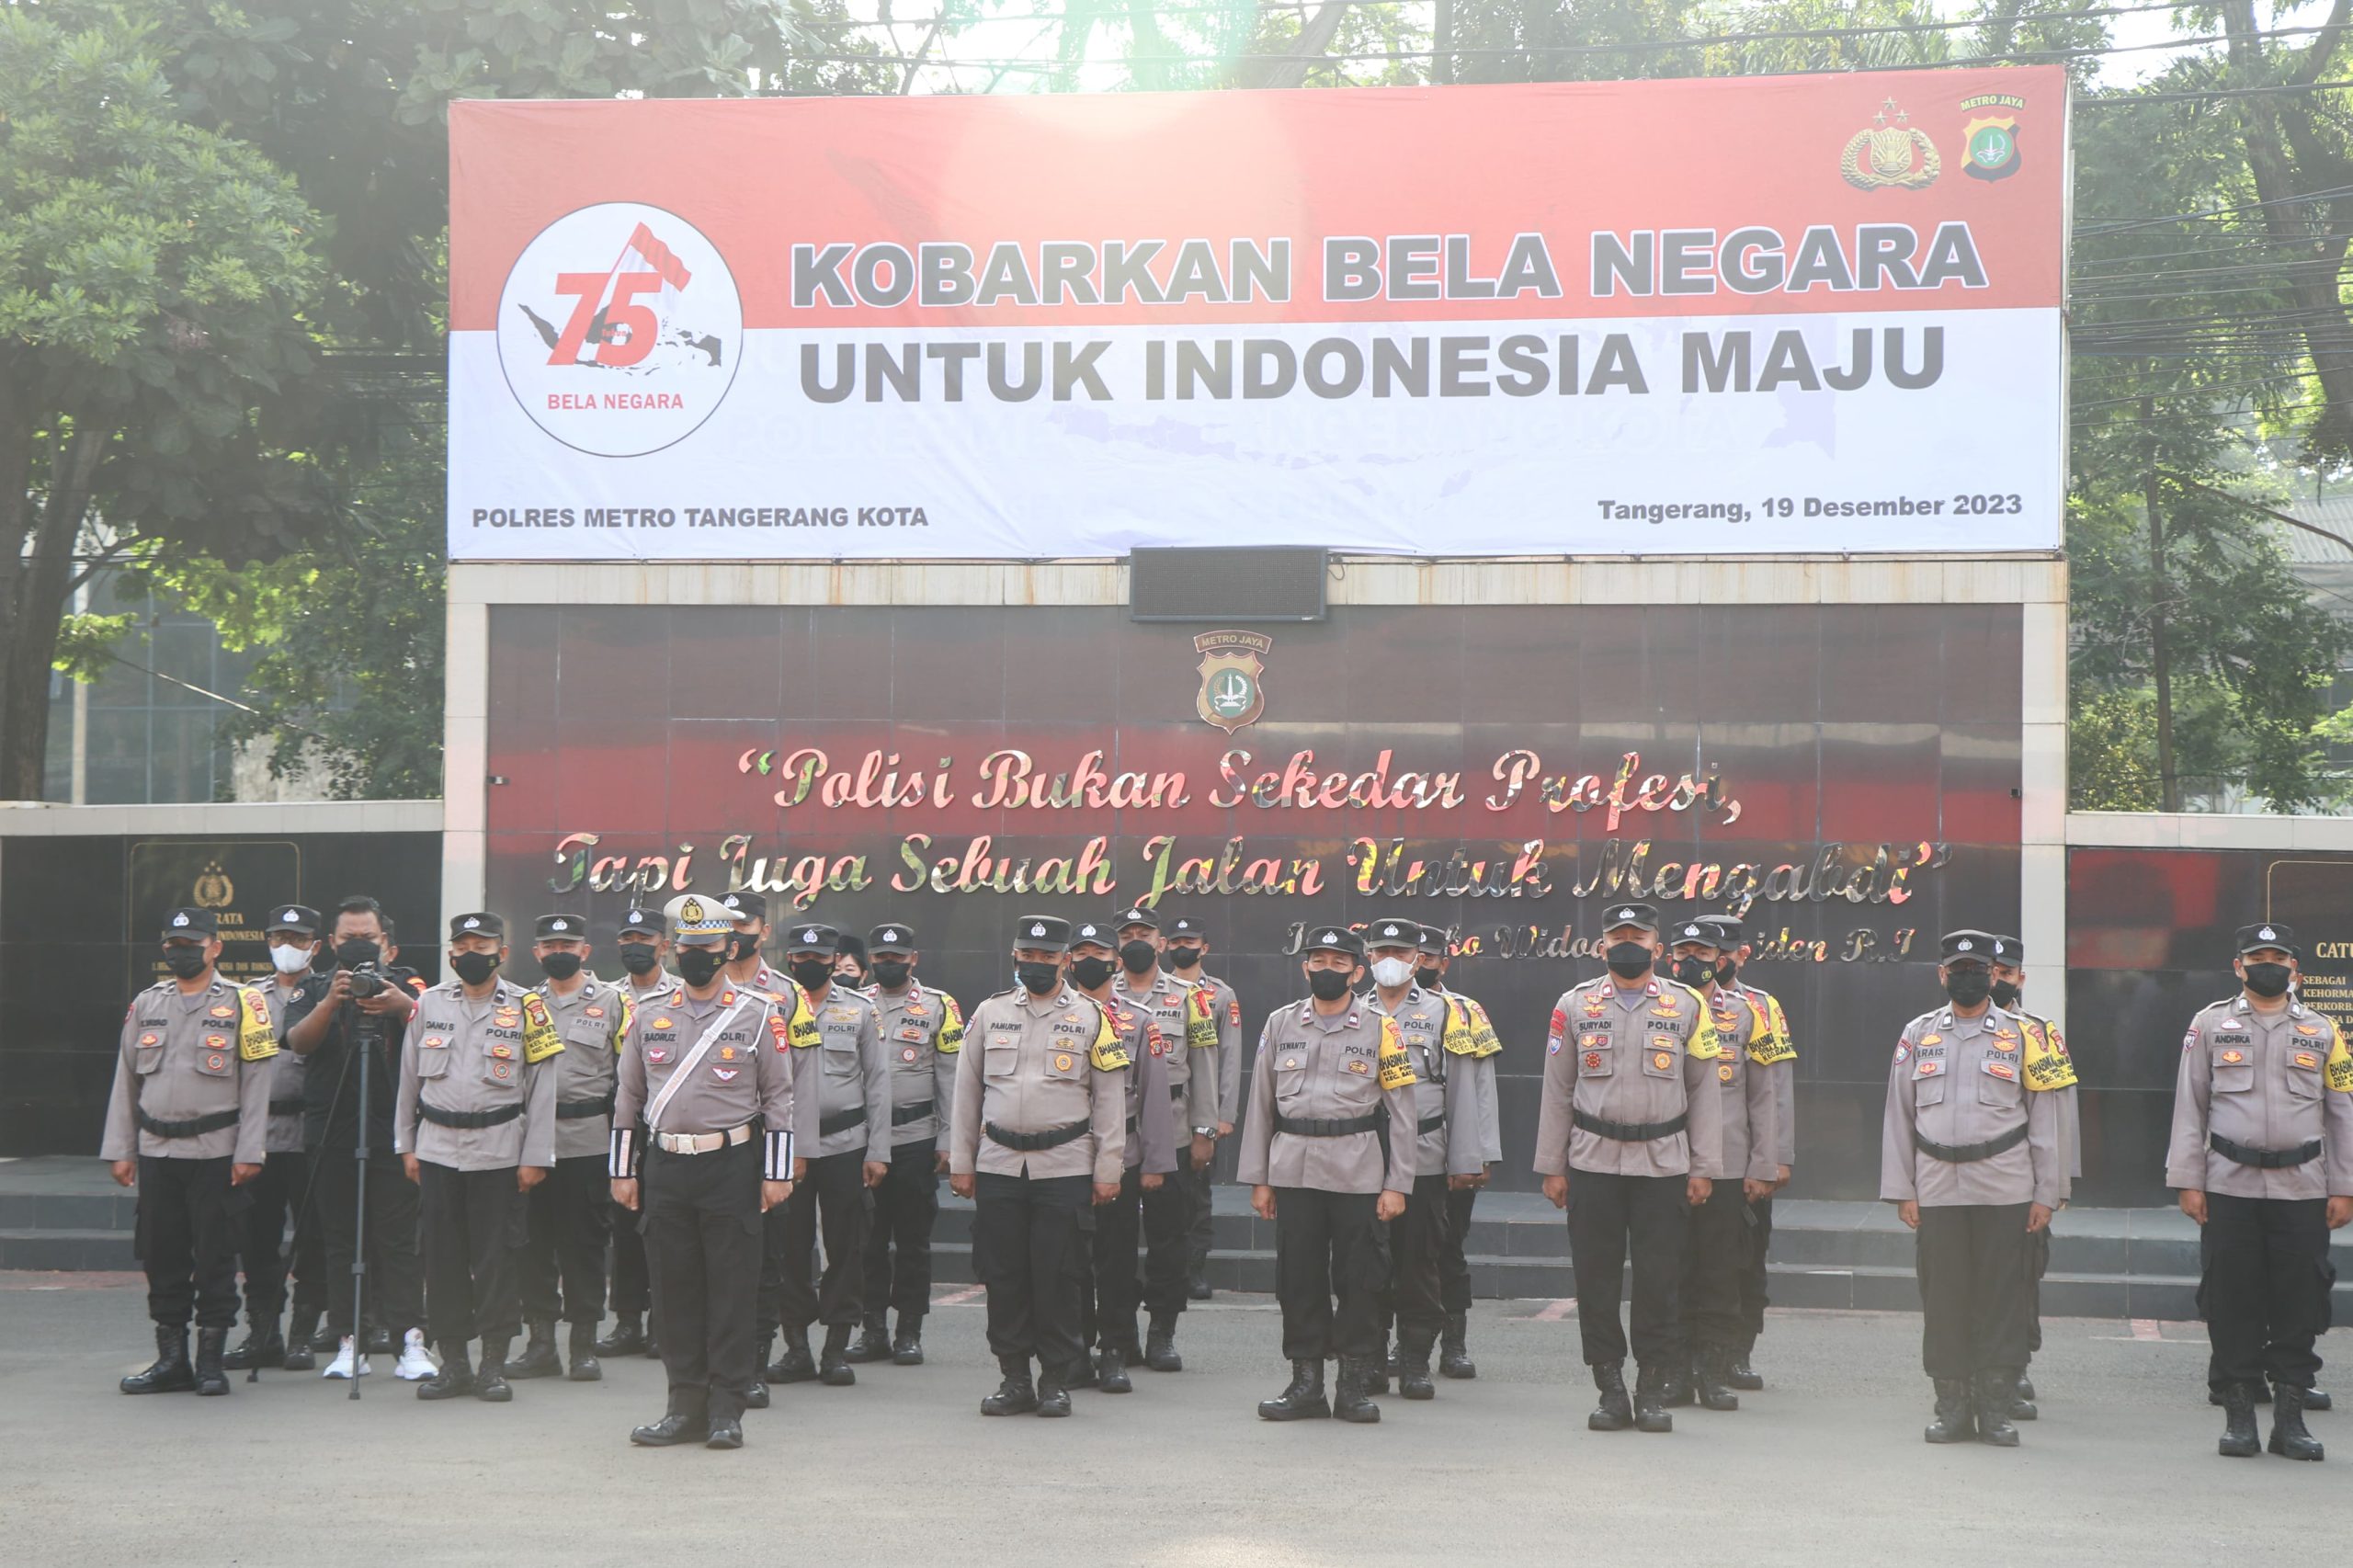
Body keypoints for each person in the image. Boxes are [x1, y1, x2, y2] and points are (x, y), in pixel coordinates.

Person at [610, 895, 797, 1449]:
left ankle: (726, 1410)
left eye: (708, 948)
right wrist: (623, 1171)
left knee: (732, 1290)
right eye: (688, 947)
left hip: (732, 1164)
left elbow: (779, 1098)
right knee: (673, 1291)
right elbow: (627, 1097)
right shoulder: (647, 1013)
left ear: (728, 948)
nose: (697, 956)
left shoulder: (760, 1012)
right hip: (666, 1164)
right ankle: (682, 1405)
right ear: (673, 949)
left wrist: (777, 1172)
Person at [1533, 903, 1724, 1436]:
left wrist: (1704, 1165)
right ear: (1602, 946)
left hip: (1663, 1163)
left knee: (1660, 1280)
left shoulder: (1688, 1006)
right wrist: (1552, 1165)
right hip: (1591, 1161)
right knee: (1595, 1278)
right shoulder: (1573, 1006)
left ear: (1657, 947)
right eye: (1618, 935)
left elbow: (1704, 1092)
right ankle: (1611, 1386)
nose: (1628, 943)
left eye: (1638, 935)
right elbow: (1557, 1090)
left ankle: (1652, 1387)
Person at [2166, 921, 2353, 1461]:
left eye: (2277, 956)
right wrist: (2187, 1180)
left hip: (2303, 1187)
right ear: (2238, 966)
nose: (2266, 964)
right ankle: (2240, 1417)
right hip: (2229, 1184)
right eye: (2256, 956)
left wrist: (2344, 1185)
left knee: (2300, 1300)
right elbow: (2189, 1105)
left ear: (2296, 968)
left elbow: (2342, 1113)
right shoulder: (2208, 1025)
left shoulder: (2325, 1031)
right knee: (2232, 1299)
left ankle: (2290, 1421)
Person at [1881, 930, 2066, 1448]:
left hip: (2006, 1187)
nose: (1967, 976)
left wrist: (2046, 1192)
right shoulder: (1917, 1035)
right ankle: (1953, 1408)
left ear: (1993, 974)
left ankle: (1995, 1409)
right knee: (1945, 1299)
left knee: (2001, 1299)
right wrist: (1903, 1189)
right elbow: (1898, 1115)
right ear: (1942, 975)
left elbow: (2046, 1119)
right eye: (1957, 968)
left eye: (1977, 968)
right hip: (1938, 1187)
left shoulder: (2026, 1035)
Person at [950, 915, 1129, 1417]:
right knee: (1003, 1275)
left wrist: (1108, 1168)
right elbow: (966, 1092)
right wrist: (963, 1162)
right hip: (999, 1164)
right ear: (1015, 957)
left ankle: (1055, 1379)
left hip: (1066, 1165)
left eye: (1047, 957)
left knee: (1059, 1275)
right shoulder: (989, 1013)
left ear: (1065, 960)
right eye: (1028, 955)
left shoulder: (1093, 1017)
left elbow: (1110, 1098)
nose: (1037, 964)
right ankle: (1014, 1379)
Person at [1239, 925, 1417, 1425]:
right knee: (1298, 1280)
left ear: (1358, 973)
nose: (1327, 970)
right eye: (1318, 961)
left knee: (1359, 1282)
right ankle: (1305, 1384)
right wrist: (1259, 1177)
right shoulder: (1279, 1024)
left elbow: (1402, 1112)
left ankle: (1354, 1386)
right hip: (1293, 1169)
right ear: (1305, 968)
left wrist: (1398, 1183)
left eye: (1340, 964)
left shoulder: (1382, 1027)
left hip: (1358, 1170)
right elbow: (1260, 1103)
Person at [102, 907, 277, 1397]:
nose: (182, 951)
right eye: (174, 944)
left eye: (193, 943)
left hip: (217, 1153)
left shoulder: (246, 1004)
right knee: (162, 1257)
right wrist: (122, 1149)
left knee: (217, 1258)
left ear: (215, 947)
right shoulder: (146, 1003)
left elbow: (259, 1083)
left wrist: (251, 1150)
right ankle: (171, 1360)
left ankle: (210, 1363)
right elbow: (126, 1079)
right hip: (158, 1152)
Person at [392, 913, 561, 1403]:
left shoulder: (529, 1007)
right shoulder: (428, 1004)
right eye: (462, 944)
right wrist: (406, 1145)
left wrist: (537, 1156)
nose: (471, 952)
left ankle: (492, 1363)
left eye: (482, 944)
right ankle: (454, 1365)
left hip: (499, 1153)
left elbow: (542, 1088)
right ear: (450, 953)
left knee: (497, 1261)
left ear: (501, 953)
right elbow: (408, 1080)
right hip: (438, 1149)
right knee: (441, 1259)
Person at [282, 895, 433, 1381]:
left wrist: (400, 1004)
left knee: (398, 1242)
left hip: (393, 1131)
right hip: (332, 1132)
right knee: (342, 1242)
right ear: (331, 944)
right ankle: (351, 1341)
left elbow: (434, 1027)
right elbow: (298, 1043)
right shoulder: (315, 987)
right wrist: (331, 1001)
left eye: (367, 938)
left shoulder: (409, 983)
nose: (358, 946)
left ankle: (410, 1340)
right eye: (348, 939)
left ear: (386, 943)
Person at [1662, 918, 1780, 1413]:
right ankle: (1672, 1371)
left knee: (1720, 1271)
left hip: (1730, 1164)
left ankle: (1713, 1371)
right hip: (1667, 1160)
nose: (1693, 960)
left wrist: (1764, 1164)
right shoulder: (1656, 1009)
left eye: (1703, 951)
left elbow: (1764, 1096)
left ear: (1720, 957)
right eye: (1684, 950)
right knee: (1669, 1271)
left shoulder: (1749, 1013)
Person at [1360, 915, 1481, 1401]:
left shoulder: (1447, 1012)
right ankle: (1369, 1359)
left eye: (1401, 952)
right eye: (1381, 951)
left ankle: (1414, 1361)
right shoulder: (1352, 1010)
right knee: (1367, 1264)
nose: (1390, 961)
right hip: (1365, 1155)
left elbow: (1462, 1093)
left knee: (1420, 1261)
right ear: (1368, 956)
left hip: (1426, 1155)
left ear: (1418, 958)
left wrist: (1465, 1159)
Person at [506, 913, 630, 1383]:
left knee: (585, 1245)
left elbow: (630, 1077)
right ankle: (540, 1345)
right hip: (529, 1144)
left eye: (568, 943)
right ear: (536, 952)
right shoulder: (522, 1004)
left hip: (588, 1141)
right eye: (549, 944)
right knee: (531, 1245)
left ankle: (583, 1346)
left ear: (584, 950)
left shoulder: (614, 1002)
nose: (558, 950)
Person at [1066, 918, 1177, 1393]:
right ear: (1068, 960)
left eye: (1100, 952)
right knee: (1066, 1260)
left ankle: (1114, 1349)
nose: (1091, 960)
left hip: (1122, 1155)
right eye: (1082, 951)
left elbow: (1155, 1099)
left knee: (1114, 1259)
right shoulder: (1050, 1014)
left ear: (1115, 960)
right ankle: (1071, 1348)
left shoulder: (1139, 1020)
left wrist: (1155, 1164)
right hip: (1062, 1155)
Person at [847, 921, 962, 1368]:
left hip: (917, 1138)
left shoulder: (939, 1007)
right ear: (872, 960)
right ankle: (872, 1328)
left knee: (913, 1240)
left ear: (913, 959)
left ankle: (909, 1330)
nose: (889, 964)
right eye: (881, 957)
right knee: (869, 1241)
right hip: (864, 1140)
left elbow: (951, 1078)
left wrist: (950, 1139)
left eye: (898, 957)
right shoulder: (855, 1005)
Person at [1109, 904, 1219, 1372]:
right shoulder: (1097, 995)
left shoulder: (1189, 997)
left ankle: (1162, 1332)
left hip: (1173, 1131)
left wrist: (1204, 1130)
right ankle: (1119, 1334)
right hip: (1114, 1135)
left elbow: (1206, 1065)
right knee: (1112, 1245)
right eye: (1127, 932)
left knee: (1168, 1242)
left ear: (1161, 941)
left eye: (1144, 932)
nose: (1135, 939)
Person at [223, 903, 329, 1372]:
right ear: (266, 941)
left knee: (314, 1239)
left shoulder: (328, 991)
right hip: (260, 1133)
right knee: (258, 1240)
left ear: (316, 946)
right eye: (279, 937)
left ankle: (303, 1334)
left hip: (311, 1135)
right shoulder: (247, 997)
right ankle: (262, 1332)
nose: (287, 947)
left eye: (299, 939)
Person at [1699, 914, 1794, 1393]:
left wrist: (1776, 1158)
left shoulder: (1761, 1007)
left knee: (1746, 1260)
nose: (1714, 959)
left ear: (1740, 954)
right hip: (1689, 1162)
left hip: (1746, 1162)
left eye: (1724, 951)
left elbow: (1775, 1091)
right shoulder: (1679, 1001)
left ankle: (1738, 1352)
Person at [1986, 932, 2073, 1421]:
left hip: (2021, 1184)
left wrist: (2056, 1185)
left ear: (2021, 977)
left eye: (2005, 973)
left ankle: (2014, 1368)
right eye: (1989, 971)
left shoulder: (2040, 1033)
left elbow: (2059, 1117)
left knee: (2020, 1281)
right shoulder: (1935, 1029)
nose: (1996, 980)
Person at [1417, 921, 1500, 1381]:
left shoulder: (1466, 1012)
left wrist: (1479, 1154)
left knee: (1447, 1250)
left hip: (1450, 1152)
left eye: (1430, 958)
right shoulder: (1369, 1007)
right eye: (1416, 957)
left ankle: (1453, 1342)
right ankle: (1402, 1344)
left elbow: (1482, 1088)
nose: (1420, 965)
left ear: (1444, 963)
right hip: (1386, 1156)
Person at [597, 903, 671, 1363]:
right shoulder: (605, 996)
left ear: (664, 945)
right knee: (624, 1222)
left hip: (667, 1122)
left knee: (664, 1226)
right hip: (621, 1119)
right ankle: (626, 1321)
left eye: (645, 939)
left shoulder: (685, 993)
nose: (636, 946)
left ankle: (662, 1324)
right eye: (628, 939)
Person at [1164, 914, 1240, 1300]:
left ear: (1204, 948)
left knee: (1196, 1193)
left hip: (1197, 1111)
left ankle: (1193, 1268)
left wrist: (1222, 1116)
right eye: (1175, 940)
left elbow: (1228, 1057)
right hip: (1153, 1112)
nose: (1182, 947)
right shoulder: (1146, 990)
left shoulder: (1220, 996)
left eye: (1190, 941)